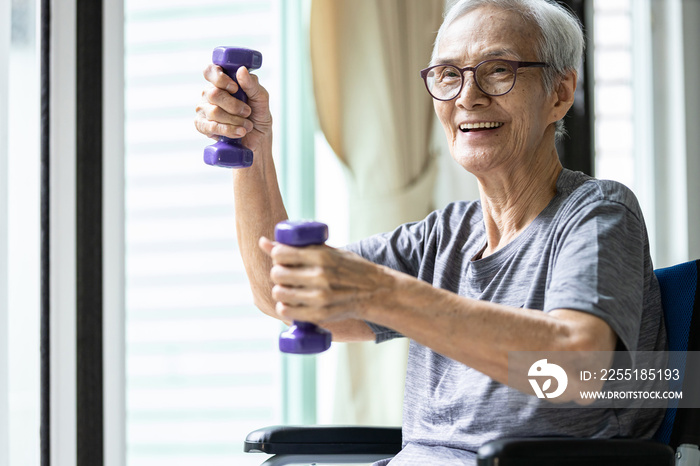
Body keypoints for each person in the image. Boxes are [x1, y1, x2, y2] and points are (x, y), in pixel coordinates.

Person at [194, 0, 666, 463]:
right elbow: (286, 296)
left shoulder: (598, 212)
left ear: (559, 94)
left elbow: (577, 369)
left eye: (498, 70)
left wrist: (383, 293)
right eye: (447, 75)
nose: (467, 97)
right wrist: (251, 151)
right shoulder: (445, 236)